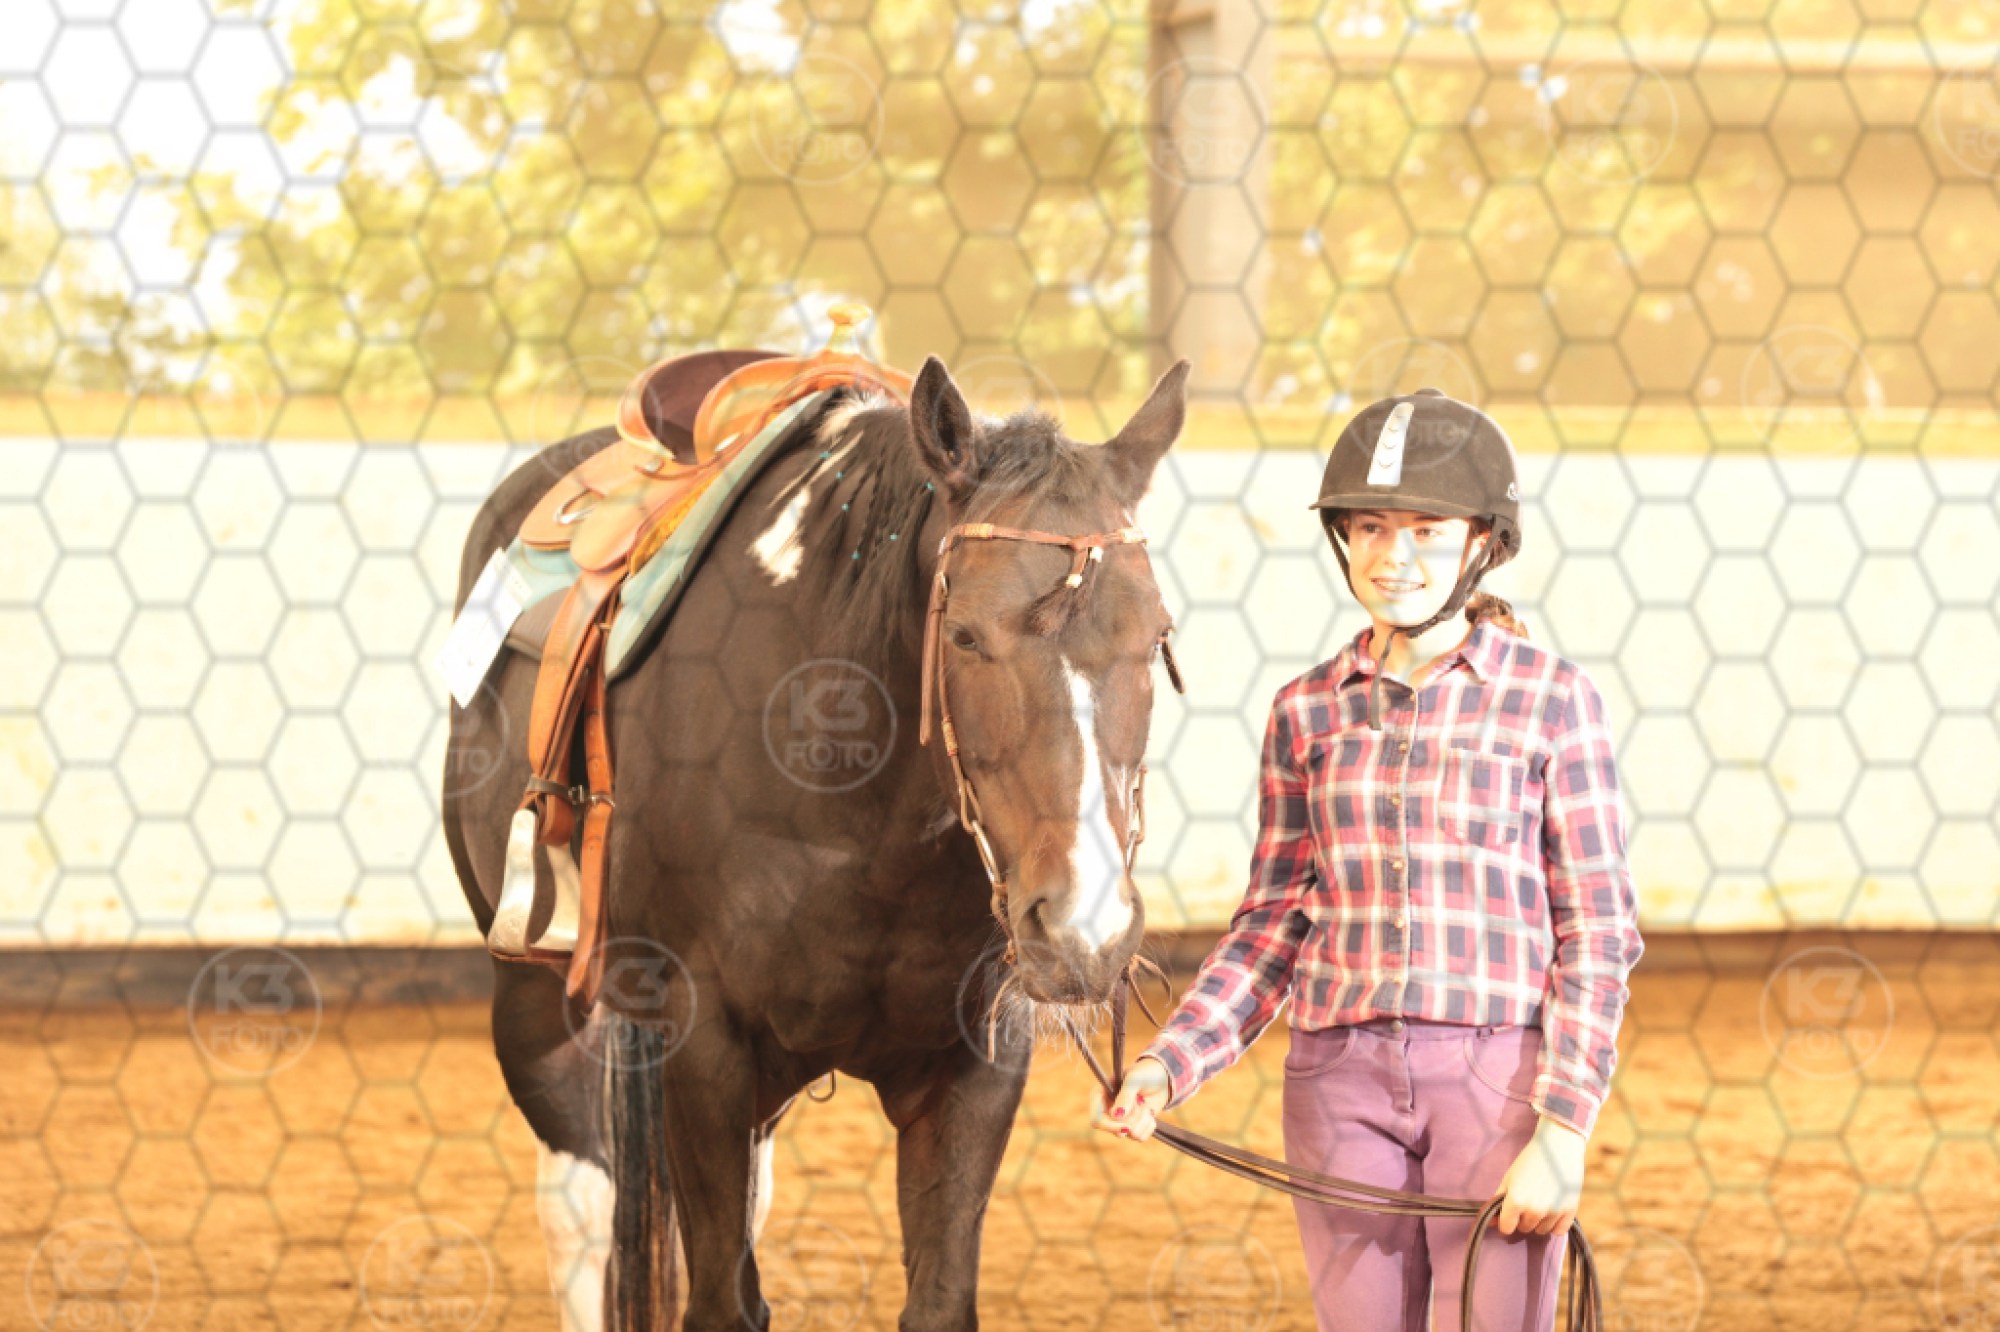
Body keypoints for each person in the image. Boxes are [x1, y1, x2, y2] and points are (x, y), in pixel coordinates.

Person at [1094, 388, 1644, 1331]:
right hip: (1337, 1080)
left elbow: (1596, 928)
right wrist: (1169, 1063)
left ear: (1483, 543)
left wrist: (1563, 1128)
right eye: (1372, 529)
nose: (1395, 557)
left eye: (1428, 531)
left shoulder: (1554, 701)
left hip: (1496, 1078)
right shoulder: (1306, 711)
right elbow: (1272, 924)